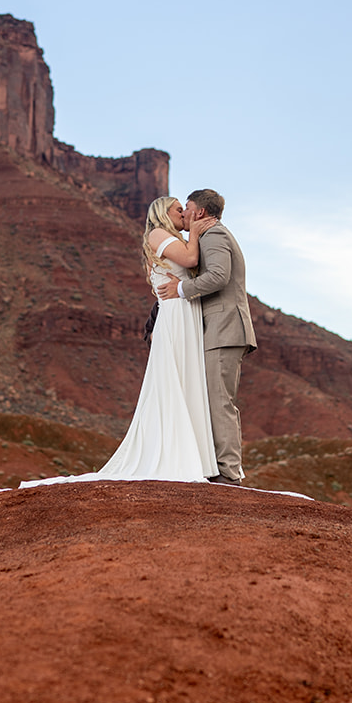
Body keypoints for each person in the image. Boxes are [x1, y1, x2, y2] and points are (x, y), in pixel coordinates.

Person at [18, 195, 220, 486]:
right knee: (175, 381)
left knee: (187, 381)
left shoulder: (173, 237)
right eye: (179, 210)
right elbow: (190, 259)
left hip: (185, 313)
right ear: (164, 213)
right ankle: (177, 457)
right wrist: (199, 232)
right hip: (176, 316)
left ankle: (194, 457)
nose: (184, 214)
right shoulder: (158, 234)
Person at [157, 188, 256, 486]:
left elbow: (218, 276)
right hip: (218, 330)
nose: (184, 214)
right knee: (214, 399)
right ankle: (218, 467)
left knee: (219, 401)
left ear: (199, 212)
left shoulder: (215, 236)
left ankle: (229, 473)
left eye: (186, 208)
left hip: (224, 329)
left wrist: (180, 290)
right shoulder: (208, 237)